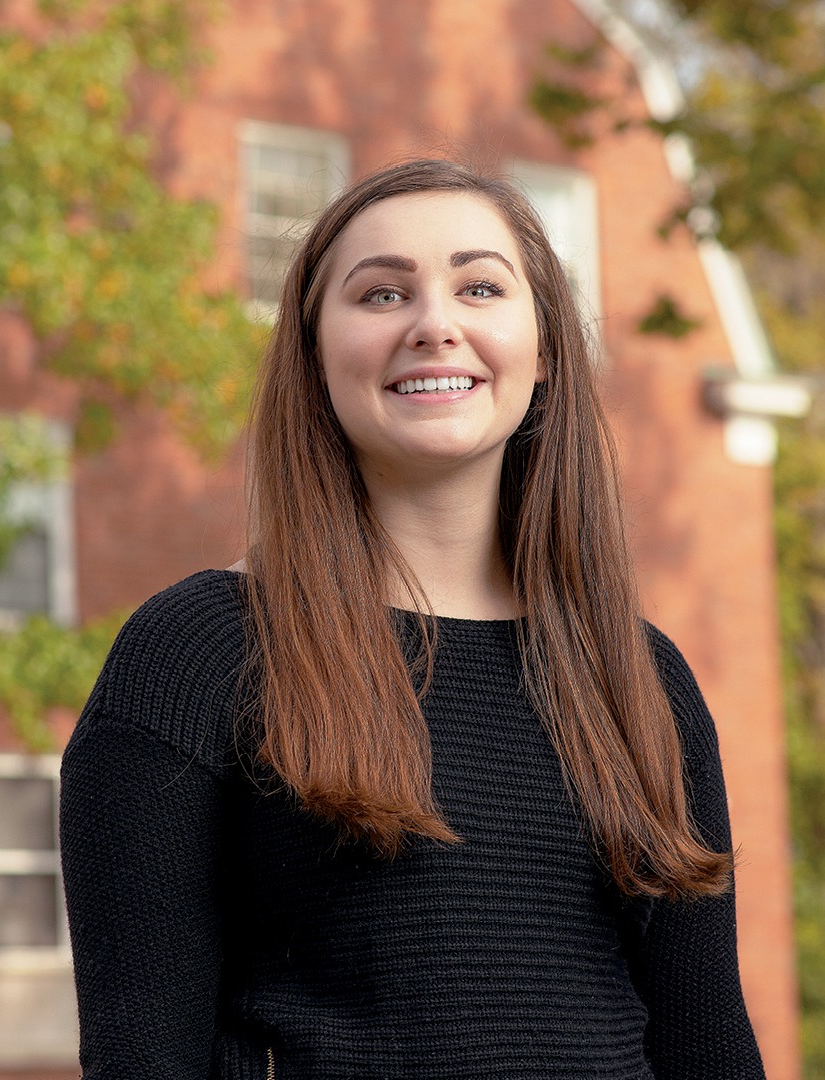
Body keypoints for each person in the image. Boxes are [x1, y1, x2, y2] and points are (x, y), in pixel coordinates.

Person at [58, 158, 766, 1079]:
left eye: (479, 286)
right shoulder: (198, 656)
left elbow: (708, 1047)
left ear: (544, 348)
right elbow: (142, 1056)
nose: (436, 325)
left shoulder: (638, 677)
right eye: (382, 294)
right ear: (315, 355)